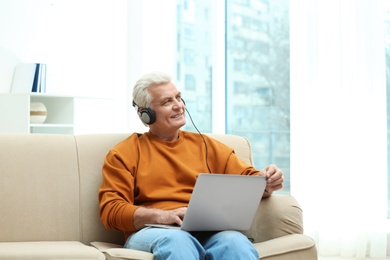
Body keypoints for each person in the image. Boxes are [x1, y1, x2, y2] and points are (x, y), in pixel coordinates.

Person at [98, 71, 284, 260]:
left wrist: (267, 182)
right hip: (155, 231)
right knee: (178, 240)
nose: (179, 106)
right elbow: (111, 210)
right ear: (146, 114)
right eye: (166, 101)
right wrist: (162, 216)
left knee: (236, 242)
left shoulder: (207, 146)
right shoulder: (124, 153)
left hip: (207, 231)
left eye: (178, 97)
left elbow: (250, 182)